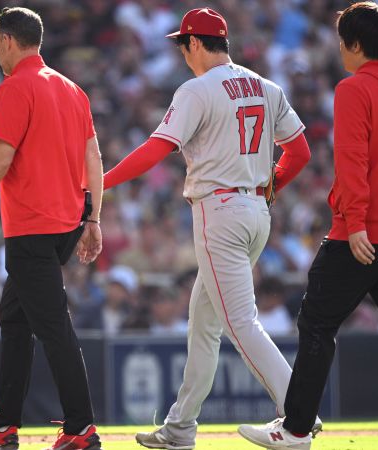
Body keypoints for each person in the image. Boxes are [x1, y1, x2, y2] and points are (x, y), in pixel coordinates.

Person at [102, 8, 316, 449]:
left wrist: (101, 183)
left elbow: (155, 148)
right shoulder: (266, 85)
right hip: (256, 212)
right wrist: (270, 186)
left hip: (220, 212)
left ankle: (299, 414)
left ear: (195, 44)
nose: (183, 54)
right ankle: (180, 427)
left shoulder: (196, 89)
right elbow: (300, 152)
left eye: (184, 45)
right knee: (203, 321)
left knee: (239, 323)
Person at [238, 3, 378, 450]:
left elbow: (352, 160)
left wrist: (354, 223)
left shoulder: (354, 89)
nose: (339, 50)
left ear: (356, 46)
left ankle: (294, 430)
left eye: (342, 43)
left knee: (316, 322)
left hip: (364, 232)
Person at [0, 7, 104, 450]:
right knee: (14, 319)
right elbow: (94, 158)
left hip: (31, 228)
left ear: (10, 41)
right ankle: (6, 424)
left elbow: (0, 157)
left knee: (53, 327)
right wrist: (93, 217)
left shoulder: (15, 88)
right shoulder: (73, 89)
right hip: (66, 223)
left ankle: (81, 429)